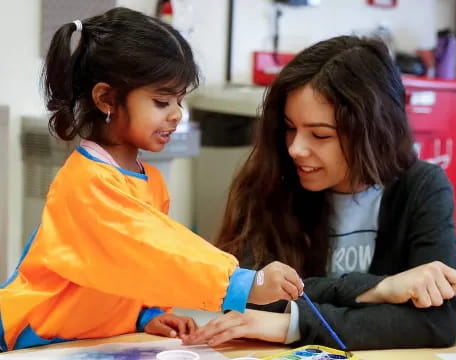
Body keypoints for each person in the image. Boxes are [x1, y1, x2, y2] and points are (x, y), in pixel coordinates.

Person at [0, 7, 304, 352]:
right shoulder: (86, 182)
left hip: (88, 338)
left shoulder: (148, 179)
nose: (176, 114)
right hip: (34, 336)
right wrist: (243, 283)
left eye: (179, 100)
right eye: (162, 101)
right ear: (106, 99)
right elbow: (149, 250)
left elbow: (130, 270)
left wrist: (146, 314)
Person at [182, 35, 456, 350]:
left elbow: (438, 322)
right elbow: (246, 298)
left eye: (320, 135)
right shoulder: (270, 178)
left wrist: (293, 322)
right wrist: (380, 290)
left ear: (372, 132)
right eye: (290, 128)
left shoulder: (423, 186)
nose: (296, 148)